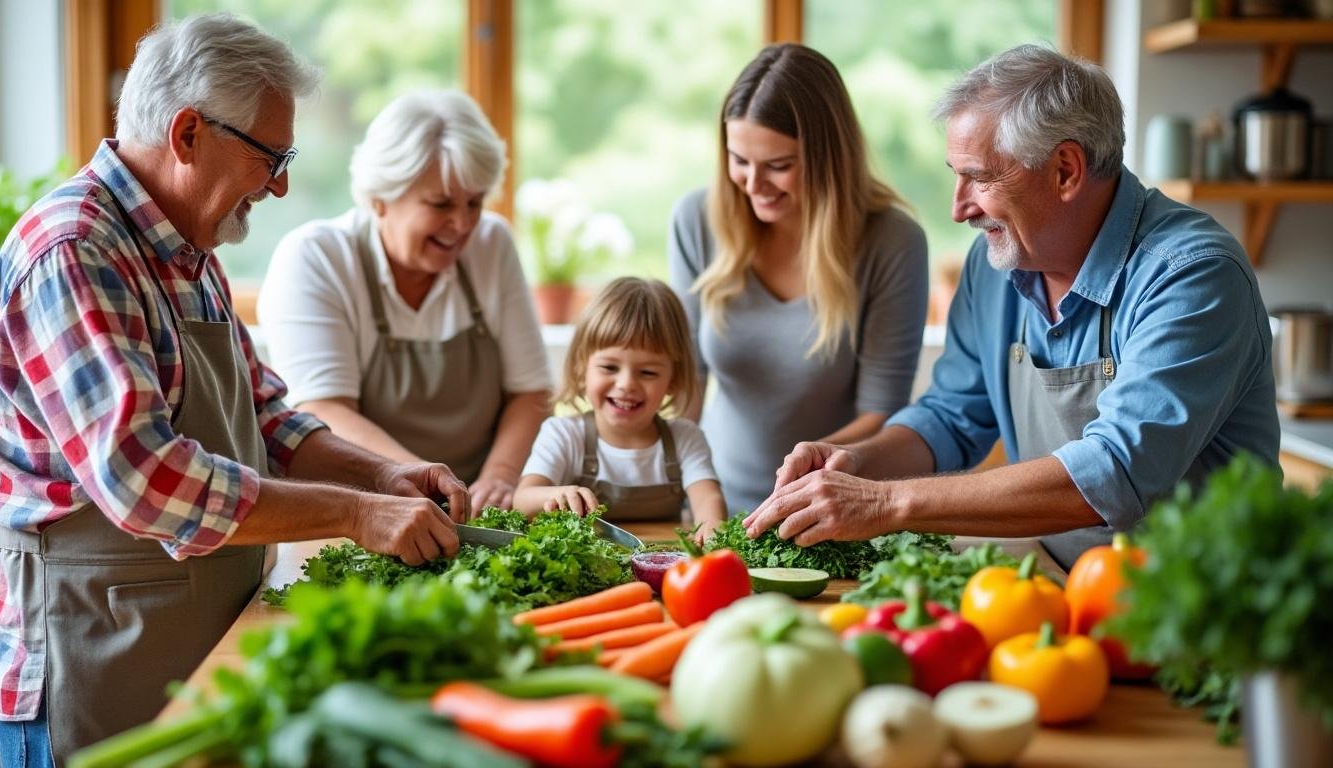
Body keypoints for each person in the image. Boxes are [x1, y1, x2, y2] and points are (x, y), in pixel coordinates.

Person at [0, 15, 470, 765]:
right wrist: (355, 513)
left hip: (185, 635)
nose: (280, 184)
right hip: (90, 650)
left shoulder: (188, 248)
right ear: (187, 135)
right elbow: (145, 482)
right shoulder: (75, 251)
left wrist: (381, 475)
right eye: (269, 157)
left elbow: (268, 417)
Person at [745, 44, 1280, 570]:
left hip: (1201, 614)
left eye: (979, 177)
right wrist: (856, 465)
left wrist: (885, 504)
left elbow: (1115, 470)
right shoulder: (996, 262)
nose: (958, 208)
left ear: (1066, 170)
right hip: (1060, 581)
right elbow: (950, 419)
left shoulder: (1191, 274)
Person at [258, 91, 552, 514]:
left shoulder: (492, 243)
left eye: (475, 202)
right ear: (380, 196)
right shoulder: (317, 257)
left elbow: (531, 392)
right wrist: (430, 486)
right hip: (362, 509)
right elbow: (324, 410)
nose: (464, 223)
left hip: (481, 507)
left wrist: (500, 479)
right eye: (441, 204)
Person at [668, 43, 929, 514]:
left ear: (830, 158)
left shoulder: (892, 241)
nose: (752, 184)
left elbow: (880, 415)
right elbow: (687, 385)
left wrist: (799, 478)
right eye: (739, 160)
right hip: (712, 508)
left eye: (778, 166)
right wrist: (676, 486)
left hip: (830, 510)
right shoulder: (695, 220)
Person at [514, 278, 726, 542]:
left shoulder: (685, 438)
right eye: (609, 368)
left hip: (664, 565)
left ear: (673, 379)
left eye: (647, 372)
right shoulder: (563, 434)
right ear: (582, 369)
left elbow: (708, 498)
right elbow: (522, 500)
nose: (626, 384)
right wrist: (553, 495)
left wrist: (712, 527)